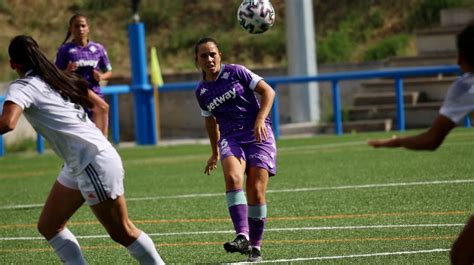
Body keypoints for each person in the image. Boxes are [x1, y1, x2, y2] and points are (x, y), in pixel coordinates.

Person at [0, 35, 165, 265]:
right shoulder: (56, 78)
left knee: (122, 232)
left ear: (12, 64)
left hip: (91, 161)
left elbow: (7, 123)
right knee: (49, 225)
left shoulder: (22, 86)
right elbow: (101, 106)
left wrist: (92, 151)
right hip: (83, 161)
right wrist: (96, 145)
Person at [367, 22, 474, 265]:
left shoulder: (467, 86)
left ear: (461, 56)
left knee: (462, 255)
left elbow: (431, 140)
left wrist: (394, 142)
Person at [193, 37, 277, 262]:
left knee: (256, 190)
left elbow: (269, 92)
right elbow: (210, 122)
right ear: (197, 60)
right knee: (232, 177)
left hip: (259, 135)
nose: (209, 59)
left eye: (213, 54)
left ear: (220, 54)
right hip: (231, 137)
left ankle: (255, 247)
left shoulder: (238, 72)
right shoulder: (202, 92)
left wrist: (260, 118)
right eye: (204, 55)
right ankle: (242, 235)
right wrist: (214, 152)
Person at [55, 14, 112, 125]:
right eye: (76, 26)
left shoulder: (98, 49)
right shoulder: (65, 49)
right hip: (74, 96)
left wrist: (101, 76)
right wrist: (67, 71)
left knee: (99, 132)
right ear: (71, 29)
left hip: (95, 95)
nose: (80, 29)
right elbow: (55, 73)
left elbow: (109, 71)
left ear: (88, 28)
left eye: (83, 26)